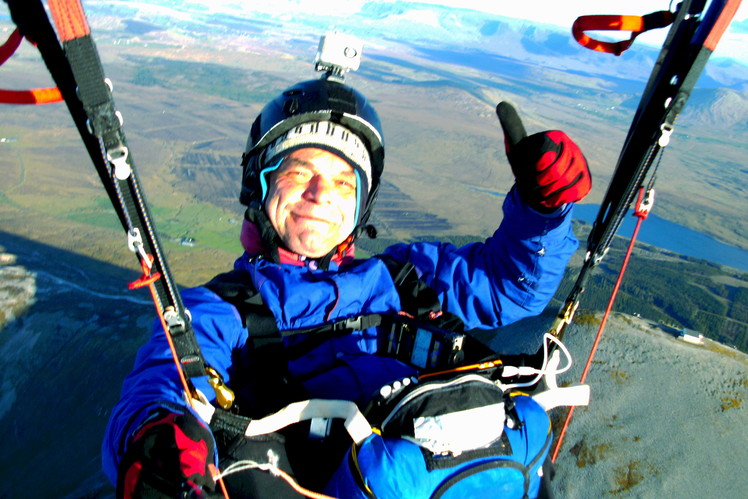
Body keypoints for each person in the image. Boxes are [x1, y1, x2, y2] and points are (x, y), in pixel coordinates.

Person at [102, 70, 591, 498]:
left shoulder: (405, 277)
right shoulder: (222, 309)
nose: (320, 194)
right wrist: (160, 440)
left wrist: (540, 213)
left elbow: (512, 287)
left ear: (361, 207)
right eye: (298, 171)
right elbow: (163, 382)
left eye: (343, 182)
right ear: (261, 184)